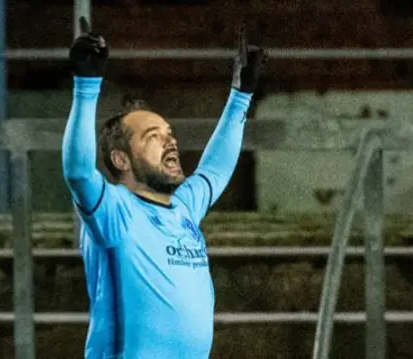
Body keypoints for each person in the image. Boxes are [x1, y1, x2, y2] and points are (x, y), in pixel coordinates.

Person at [62, 17, 267, 359]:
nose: (170, 142)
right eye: (152, 137)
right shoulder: (115, 212)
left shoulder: (182, 208)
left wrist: (240, 97)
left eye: (169, 134)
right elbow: (80, 173)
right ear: (121, 159)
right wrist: (86, 85)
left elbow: (214, 170)